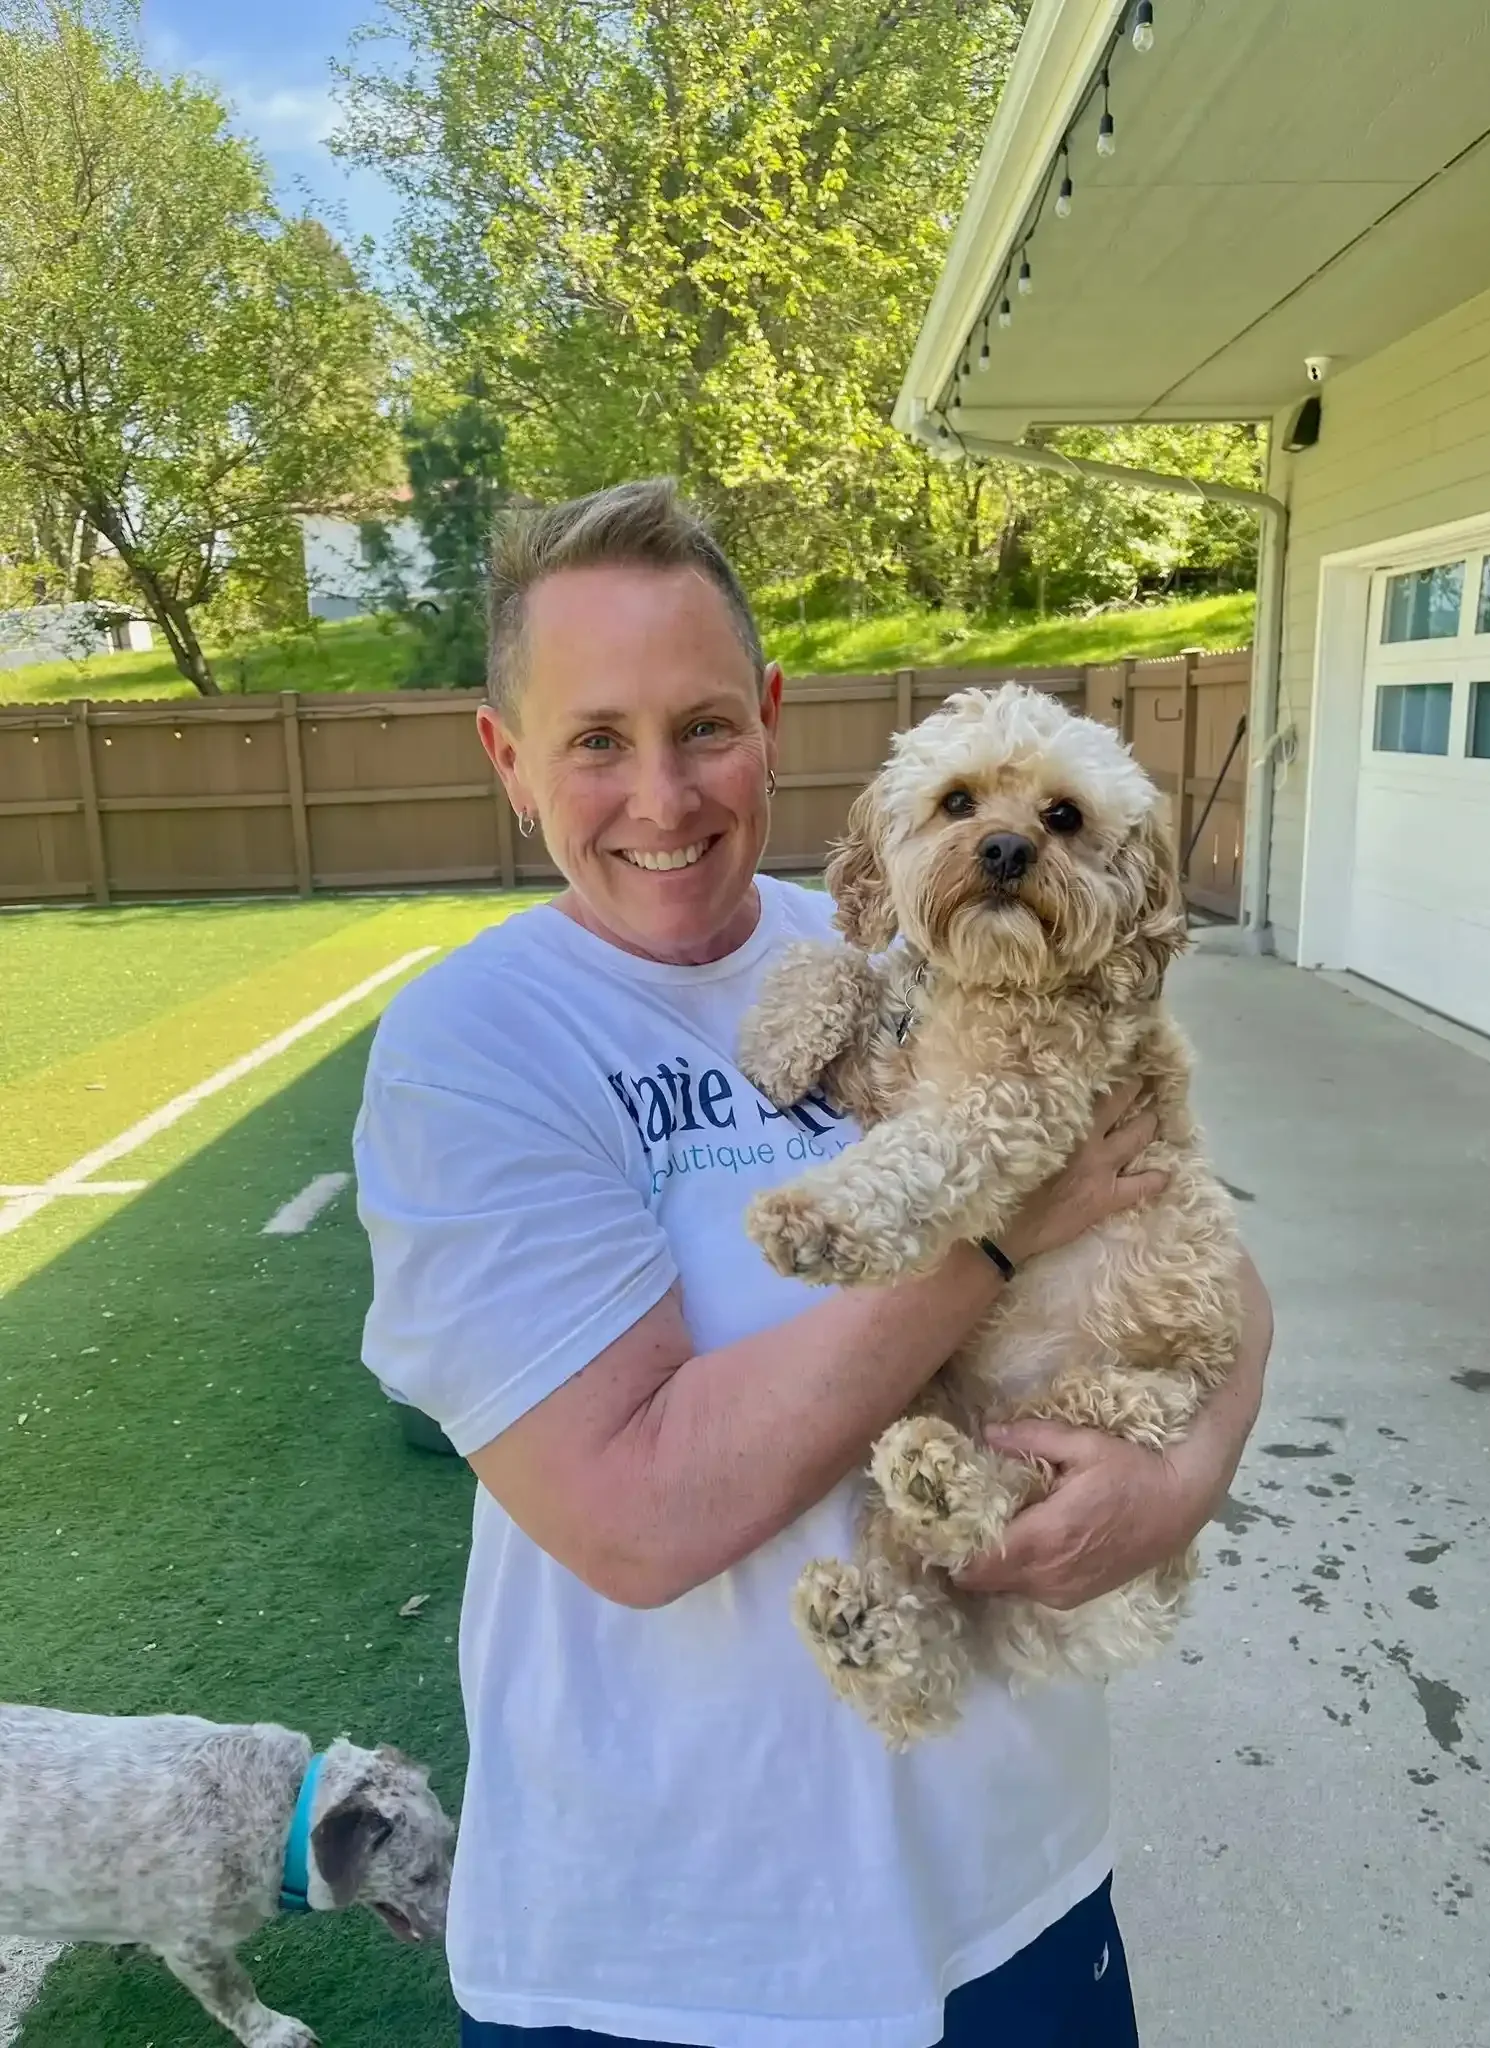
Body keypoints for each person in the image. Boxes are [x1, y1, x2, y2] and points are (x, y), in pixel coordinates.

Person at [353, 479, 1273, 2048]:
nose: (662, 794)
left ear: (773, 720)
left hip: (1008, 1874)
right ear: (508, 760)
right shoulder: (474, 1049)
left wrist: (1189, 1470)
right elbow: (640, 1513)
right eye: (595, 739)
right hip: (671, 1938)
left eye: (705, 726)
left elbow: (1195, 1235)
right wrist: (989, 1239)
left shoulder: (891, 956)